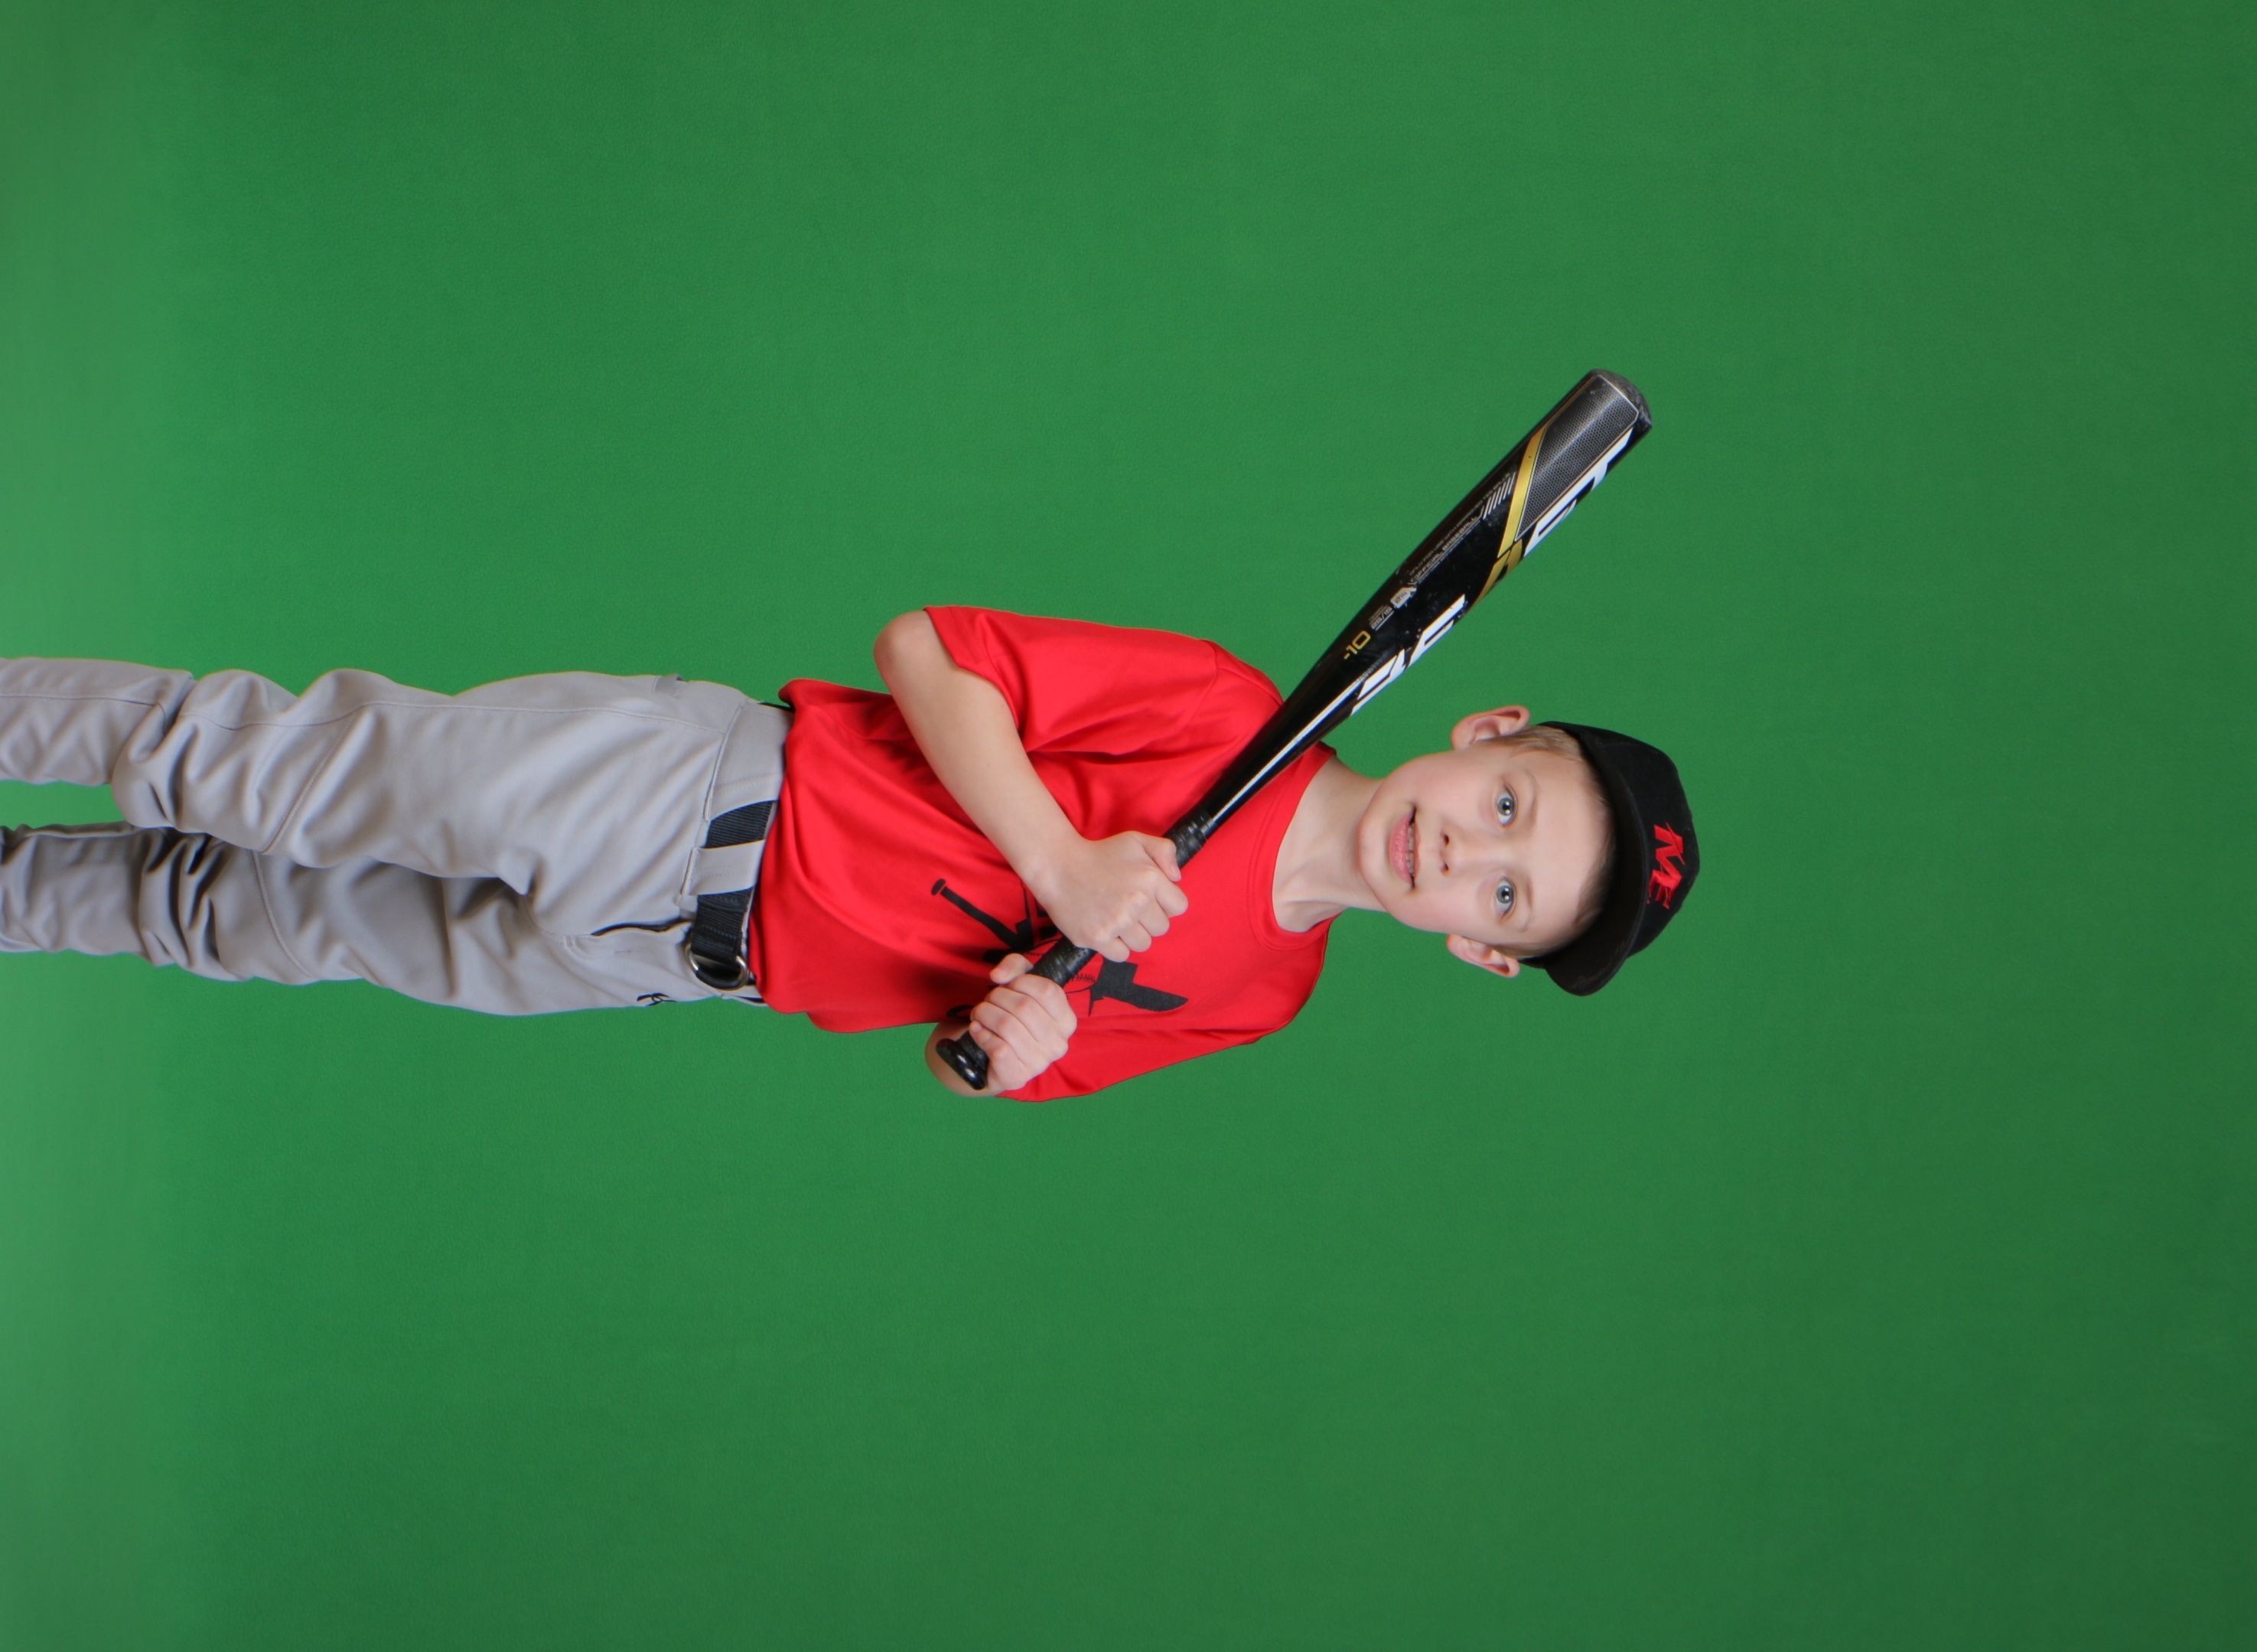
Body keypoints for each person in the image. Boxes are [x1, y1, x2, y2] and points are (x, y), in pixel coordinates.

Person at [0, 606, 1698, 1100]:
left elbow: (1001, 1046)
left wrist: (1007, 1048)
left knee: (228, 917)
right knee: (246, 768)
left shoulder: (1265, 993)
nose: (1461, 848)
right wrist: (1064, 863)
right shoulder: (1229, 713)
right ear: (1487, 732)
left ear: (1481, 948)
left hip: (673, 962)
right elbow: (928, 652)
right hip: (686, 795)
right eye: (1507, 802)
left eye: (1504, 891)